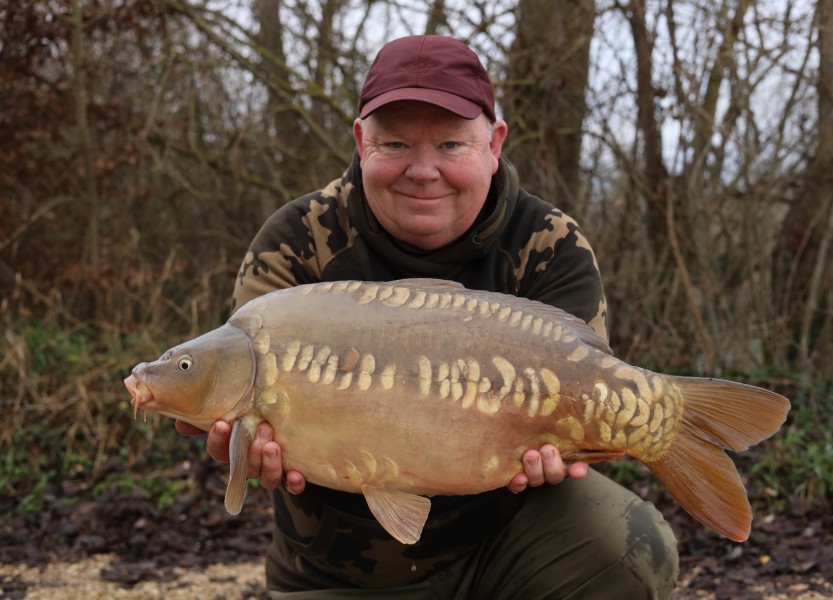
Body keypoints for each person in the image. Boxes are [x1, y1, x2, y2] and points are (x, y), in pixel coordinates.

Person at [177, 35, 678, 598]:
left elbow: (593, 386)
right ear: (360, 141)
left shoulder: (548, 242)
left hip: (508, 535)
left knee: (632, 547)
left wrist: (574, 438)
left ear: (494, 143)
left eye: (450, 145)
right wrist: (243, 448)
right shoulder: (296, 241)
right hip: (336, 564)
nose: (423, 171)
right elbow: (236, 409)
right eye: (394, 143)